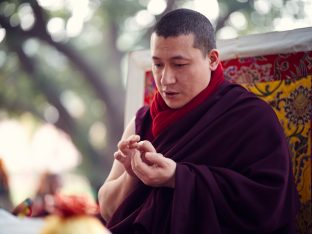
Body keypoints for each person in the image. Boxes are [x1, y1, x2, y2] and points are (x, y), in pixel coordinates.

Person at [98, 8, 299, 234]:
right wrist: (133, 175)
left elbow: (269, 204)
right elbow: (107, 211)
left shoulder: (250, 118)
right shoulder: (142, 121)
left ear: (212, 59)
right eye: (158, 64)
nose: (165, 79)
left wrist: (176, 177)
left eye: (179, 64)